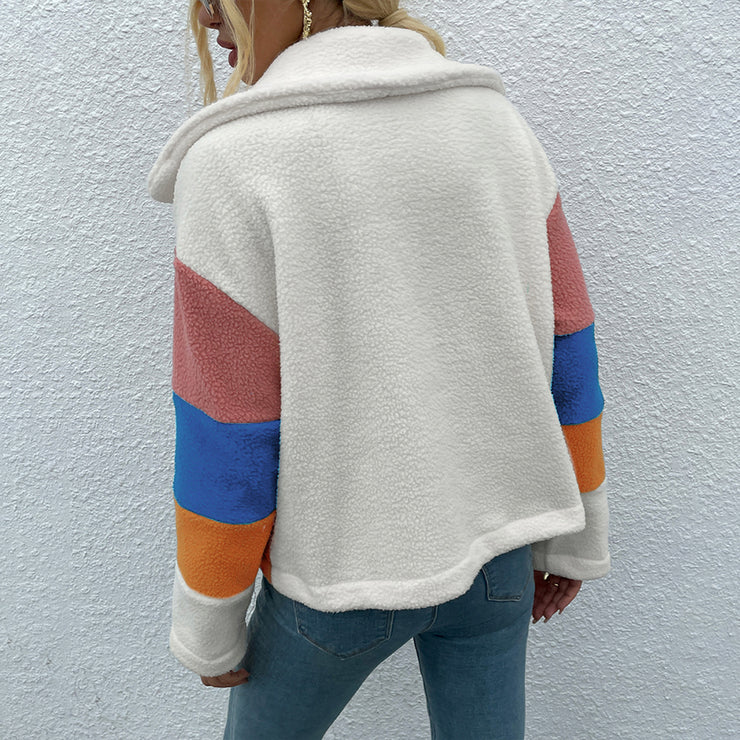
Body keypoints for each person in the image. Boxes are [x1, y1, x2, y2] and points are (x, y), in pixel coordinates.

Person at [147, 1, 612, 737]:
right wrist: (577, 532)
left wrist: (210, 618)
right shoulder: (494, 123)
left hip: (338, 584)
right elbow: (569, 343)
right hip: (499, 561)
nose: (206, 16)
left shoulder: (233, 159)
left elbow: (229, 426)